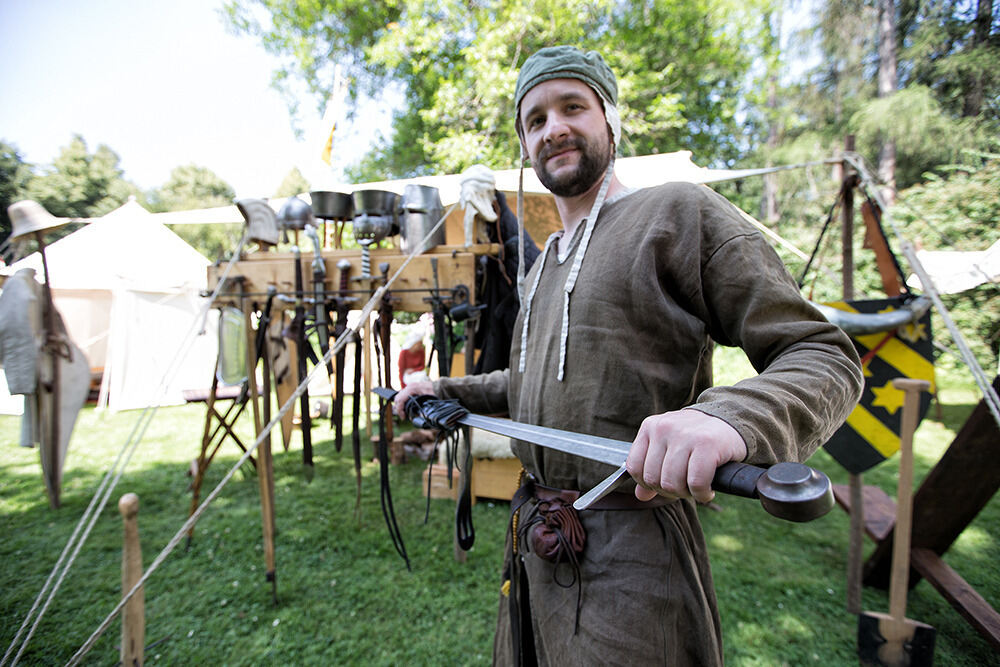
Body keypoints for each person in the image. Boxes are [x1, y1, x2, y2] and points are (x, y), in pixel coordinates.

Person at [395, 45, 863, 666]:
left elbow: (823, 355)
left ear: (610, 121)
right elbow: (537, 384)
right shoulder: (541, 266)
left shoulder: (678, 213)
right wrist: (446, 393)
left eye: (572, 108)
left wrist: (729, 418)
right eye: (534, 120)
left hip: (636, 557)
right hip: (535, 539)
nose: (553, 128)